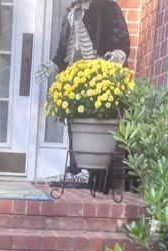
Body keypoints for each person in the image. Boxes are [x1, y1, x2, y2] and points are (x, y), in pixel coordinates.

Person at [38, 0, 130, 178]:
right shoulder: (71, 14)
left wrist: (115, 56)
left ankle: (96, 173)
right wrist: (53, 65)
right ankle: (76, 168)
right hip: (75, 79)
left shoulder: (108, 8)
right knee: (75, 122)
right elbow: (63, 51)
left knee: (96, 123)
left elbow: (122, 43)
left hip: (99, 79)